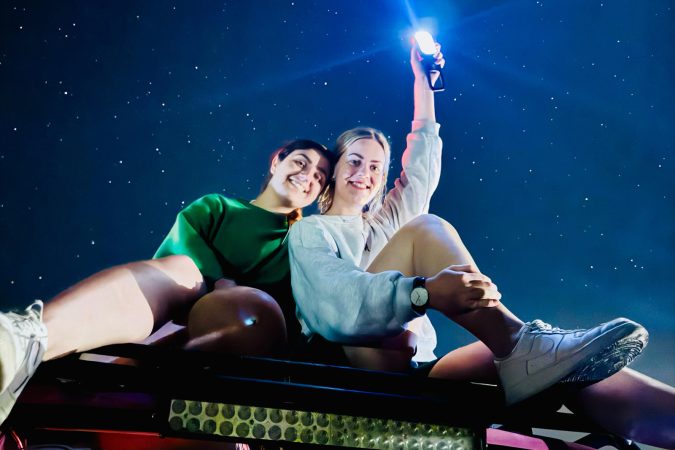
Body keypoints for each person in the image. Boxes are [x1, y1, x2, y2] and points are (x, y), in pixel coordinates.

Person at [288, 44, 675, 446]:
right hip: (360, 366)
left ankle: (545, 356)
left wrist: (424, 84)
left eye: (375, 167)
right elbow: (337, 303)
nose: (364, 173)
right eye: (354, 161)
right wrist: (421, 291)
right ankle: (524, 344)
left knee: (566, 367)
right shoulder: (311, 232)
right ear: (333, 169)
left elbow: (421, 166)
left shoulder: (387, 224)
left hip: (418, 367)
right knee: (426, 228)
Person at [0, 139, 334, 425]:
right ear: (276, 162)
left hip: (243, 346)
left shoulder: (304, 242)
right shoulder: (217, 206)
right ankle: (26, 339)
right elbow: (178, 258)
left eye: (319, 177)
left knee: (248, 310)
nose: (308, 175)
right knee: (184, 270)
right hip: (179, 313)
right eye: (300, 162)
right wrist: (220, 282)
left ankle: (120, 374)